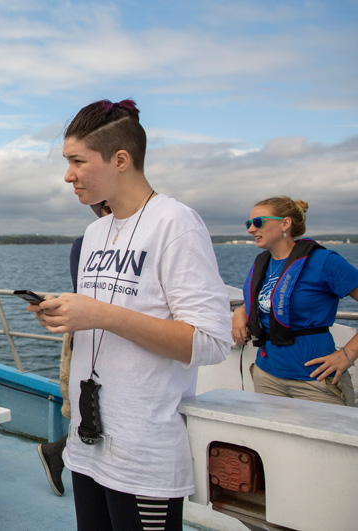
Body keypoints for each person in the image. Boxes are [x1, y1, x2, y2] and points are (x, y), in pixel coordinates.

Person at [30, 100, 232, 531]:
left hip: (144, 457)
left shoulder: (176, 224)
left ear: (120, 159)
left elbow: (211, 341)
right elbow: (104, 320)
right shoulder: (95, 233)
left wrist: (102, 313)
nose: (68, 175)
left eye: (78, 161)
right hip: (88, 447)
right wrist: (66, 312)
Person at [232, 196, 358, 406]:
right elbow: (269, 299)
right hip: (267, 376)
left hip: (315, 381)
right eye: (249, 224)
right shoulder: (264, 263)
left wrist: (348, 354)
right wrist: (242, 311)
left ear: (285, 223)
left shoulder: (325, 262)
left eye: (258, 222)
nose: (250, 230)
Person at [36, 201, 110, 497]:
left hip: (100, 336)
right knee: (87, 411)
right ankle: (59, 454)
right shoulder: (86, 244)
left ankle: (56, 452)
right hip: (88, 337)